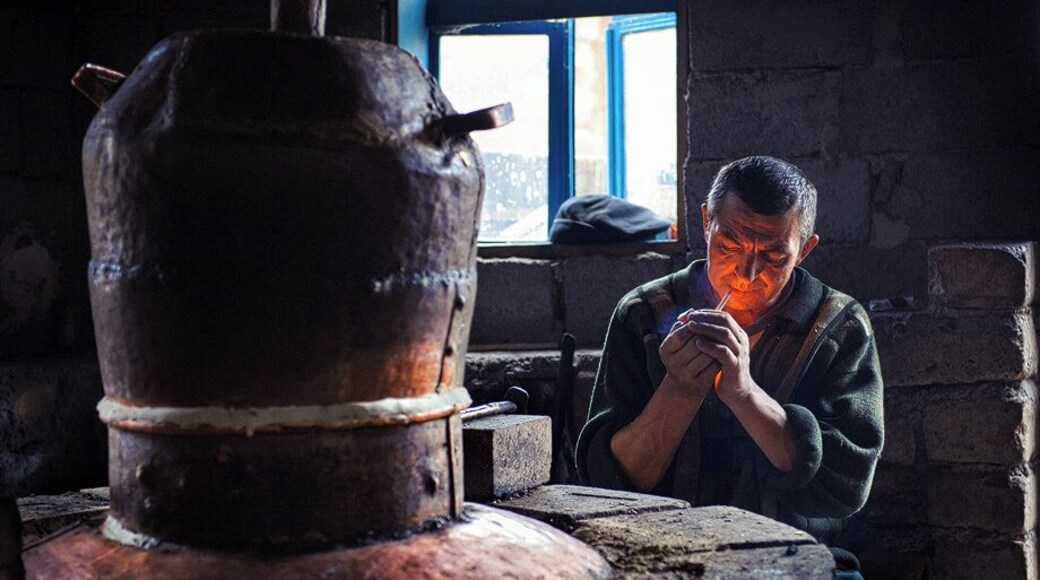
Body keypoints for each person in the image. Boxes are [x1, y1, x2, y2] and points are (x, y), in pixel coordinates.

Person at [575, 156, 883, 576]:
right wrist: (680, 391)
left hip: (800, 559)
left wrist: (744, 394)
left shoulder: (838, 328)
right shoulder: (644, 316)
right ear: (706, 222)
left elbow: (845, 487)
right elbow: (607, 488)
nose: (746, 272)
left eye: (774, 256)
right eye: (728, 244)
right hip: (663, 558)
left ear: (805, 249)